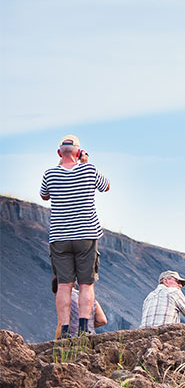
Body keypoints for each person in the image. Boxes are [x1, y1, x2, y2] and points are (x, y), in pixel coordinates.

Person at [40, 135, 111, 337]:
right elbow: (106, 186)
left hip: (59, 236)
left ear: (58, 153)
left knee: (64, 285)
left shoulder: (50, 174)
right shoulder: (88, 169)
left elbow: (44, 195)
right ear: (79, 152)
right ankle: (82, 329)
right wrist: (84, 162)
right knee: (86, 284)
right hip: (86, 235)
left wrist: (61, 163)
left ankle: (63, 330)